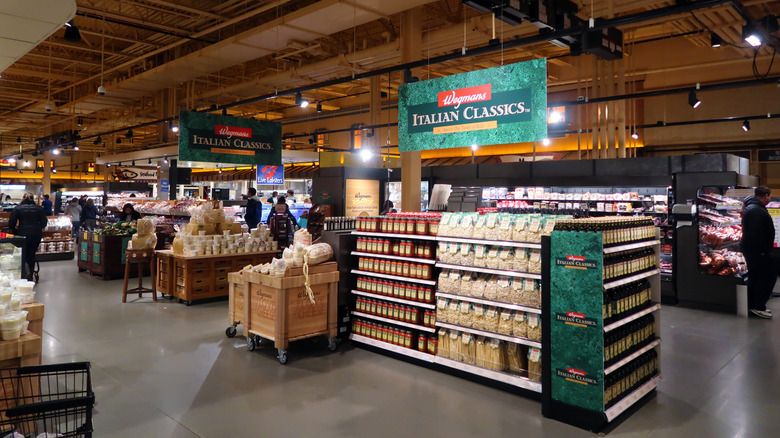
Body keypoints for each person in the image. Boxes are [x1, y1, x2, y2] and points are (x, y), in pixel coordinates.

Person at [741, 186, 776, 319]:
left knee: (757, 277)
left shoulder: (752, 207)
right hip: (757, 250)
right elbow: (755, 234)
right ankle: (757, 306)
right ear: (766, 195)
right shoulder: (756, 210)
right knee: (766, 277)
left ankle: (755, 304)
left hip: (754, 249)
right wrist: (762, 251)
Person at [8, 193, 47, 281]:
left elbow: (11, 223)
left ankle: (25, 272)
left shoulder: (18, 208)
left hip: (22, 234)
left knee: (23, 254)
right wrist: (37, 228)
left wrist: (15, 231)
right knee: (32, 254)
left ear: (23, 198)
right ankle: (31, 273)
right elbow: (44, 223)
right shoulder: (39, 209)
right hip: (36, 234)